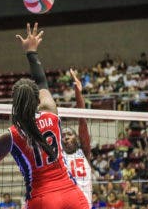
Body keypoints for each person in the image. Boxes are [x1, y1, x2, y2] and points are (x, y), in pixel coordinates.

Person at [0, 23, 89, 209]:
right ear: (36, 99)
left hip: (43, 199)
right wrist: (31, 51)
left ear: (14, 105)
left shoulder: (11, 136)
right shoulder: (50, 110)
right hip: (72, 193)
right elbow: (41, 81)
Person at [61, 68, 92, 206]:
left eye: (69, 134)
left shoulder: (84, 152)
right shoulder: (59, 156)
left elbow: (82, 120)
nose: (66, 137)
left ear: (77, 138)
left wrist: (78, 92)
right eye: (63, 135)